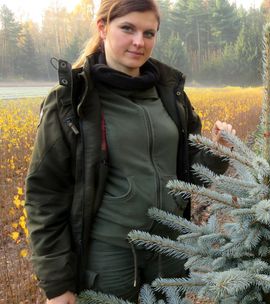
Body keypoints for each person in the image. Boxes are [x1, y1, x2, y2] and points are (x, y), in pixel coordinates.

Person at [24, 0, 235, 303]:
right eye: (128, 29)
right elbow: (45, 194)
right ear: (103, 27)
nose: (139, 41)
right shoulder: (73, 101)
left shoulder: (170, 94)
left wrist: (217, 150)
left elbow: (189, 175)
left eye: (149, 33)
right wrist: (57, 284)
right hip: (108, 260)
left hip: (169, 253)